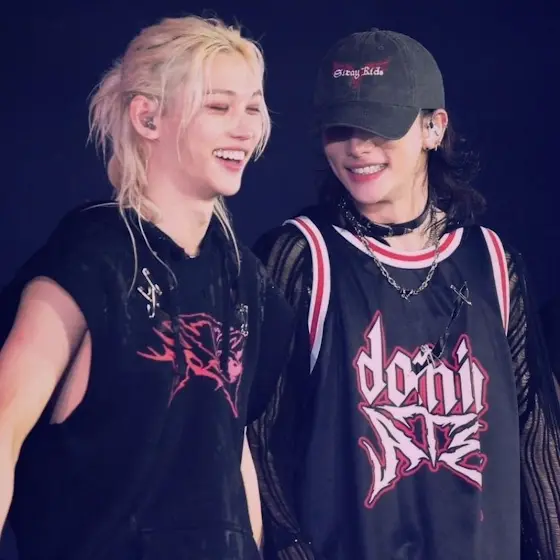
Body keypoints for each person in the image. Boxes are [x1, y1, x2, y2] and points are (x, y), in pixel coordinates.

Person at [249, 28, 560, 560]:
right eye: (340, 128)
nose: (358, 147)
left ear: (433, 127)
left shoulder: (494, 262)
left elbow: (536, 437)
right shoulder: (300, 256)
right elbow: (257, 441)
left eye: (379, 126)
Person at [0, 15, 295, 560]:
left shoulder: (246, 281)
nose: (244, 129)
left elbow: (230, 448)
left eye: (253, 107)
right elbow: (4, 427)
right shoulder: (95, 256)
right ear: (148, 117)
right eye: (218, 106)